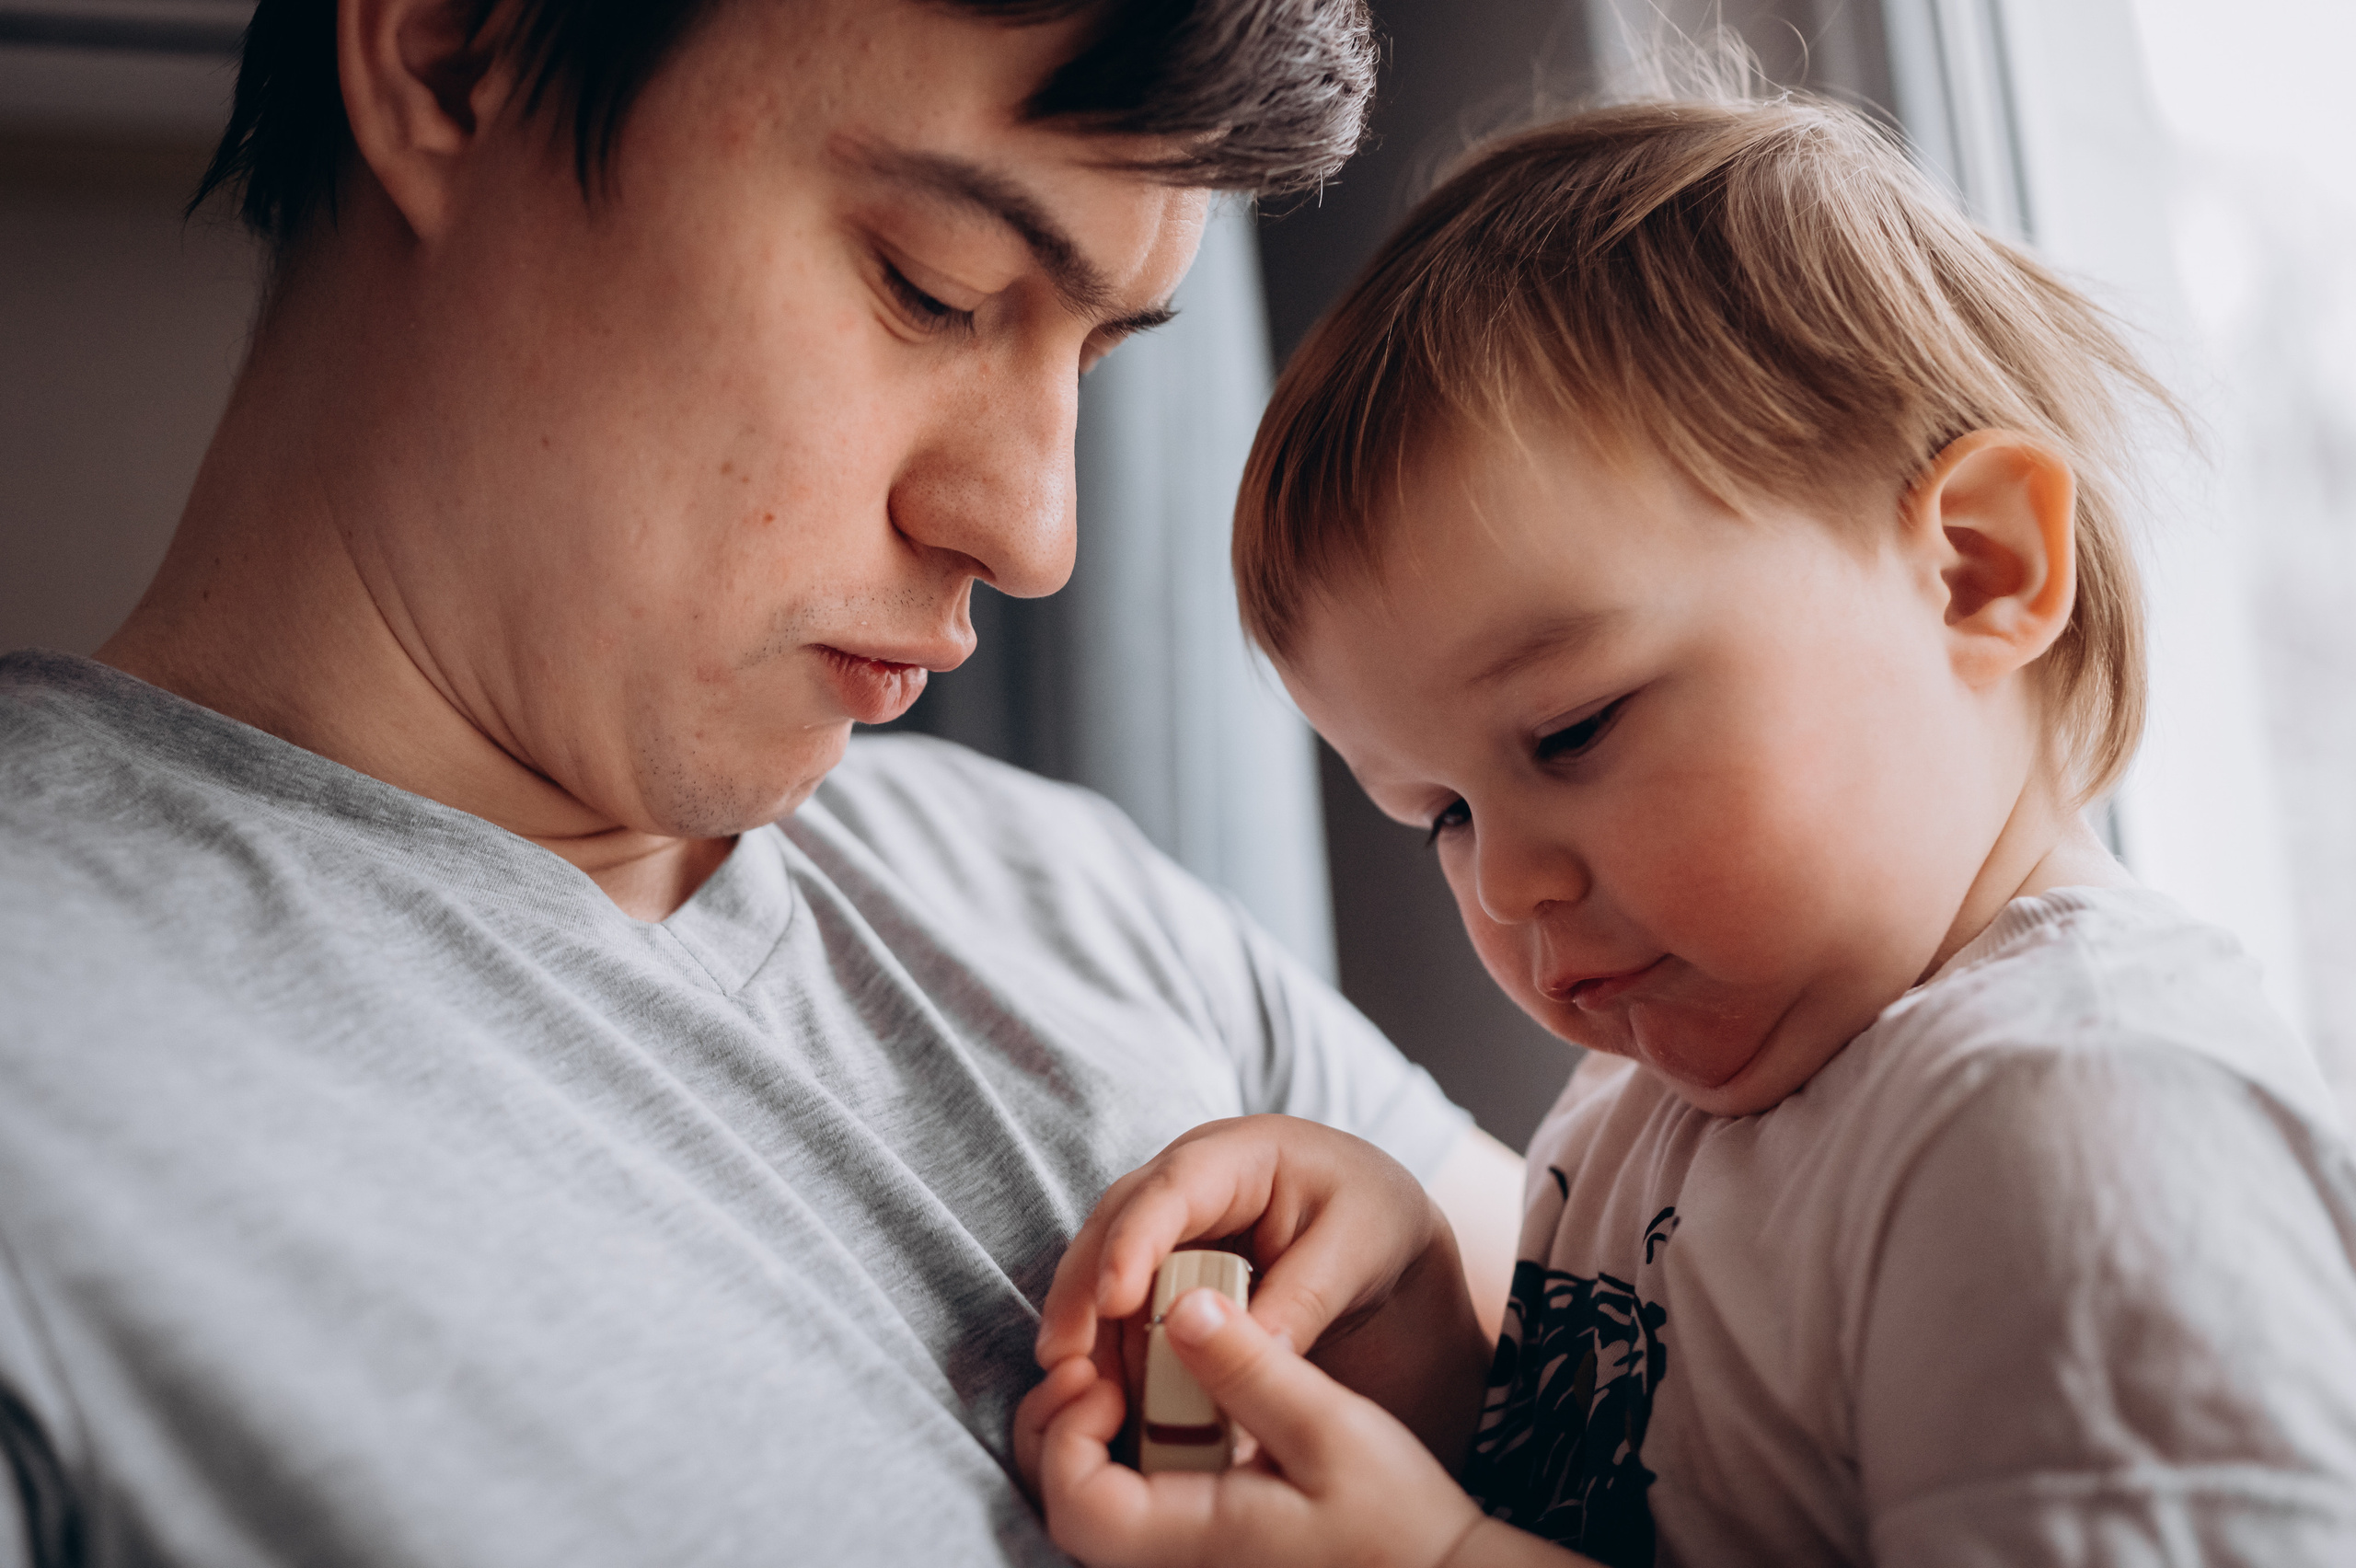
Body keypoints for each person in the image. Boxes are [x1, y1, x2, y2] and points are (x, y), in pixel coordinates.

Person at [0, 1, 1530, 1562]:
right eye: (933, 289)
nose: (1034, 532)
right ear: (453, 55)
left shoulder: (1075, 893)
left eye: (1098, 355)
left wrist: (1447, 1376)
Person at [1018, 94, 2356, 1567]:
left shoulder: (2082, 1129)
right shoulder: (1645, 1118)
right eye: (1441, 814)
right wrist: (1423, 1358)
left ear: (1978, 571)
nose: (1507, 882)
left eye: (1573, 731)